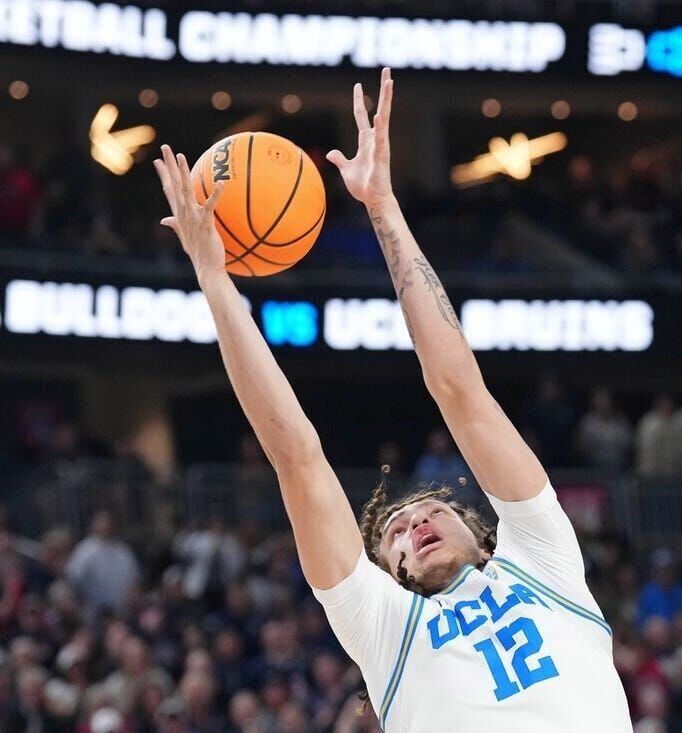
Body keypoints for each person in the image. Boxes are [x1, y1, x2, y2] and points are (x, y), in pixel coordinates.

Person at [153, 68, 630, 732]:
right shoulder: (385, 625)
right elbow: (298, 459)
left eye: (430, 511)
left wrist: (382, 206)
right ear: (391, 572)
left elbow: (460, 390)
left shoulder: (543, 559)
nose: (414, 526)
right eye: (395, 537)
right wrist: (214, 279)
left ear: (483, 534)